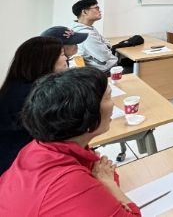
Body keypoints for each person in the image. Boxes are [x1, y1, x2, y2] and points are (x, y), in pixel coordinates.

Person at [0, 67, 140, 215]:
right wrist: (110, 185)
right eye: (108, 97)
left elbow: (101, 174)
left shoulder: (37, 147)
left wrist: (105, 182)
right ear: (88, 118)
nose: (113, 104)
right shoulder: (68, 181)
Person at [0, 36, 68, 174]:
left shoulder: (18, 85)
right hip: (18, 166)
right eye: (62, 54)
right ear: (46, 61)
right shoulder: (32, 96)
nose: (66, 58)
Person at [71, 0, 119, 72]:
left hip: (105, 68)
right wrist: (106, 47)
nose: (100, 11)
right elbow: (104, 56)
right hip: (105, 71)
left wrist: (106, 46)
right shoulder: (86, 34)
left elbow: (107, 43)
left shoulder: (87, 28)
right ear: (84, 12)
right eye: (97, 8)